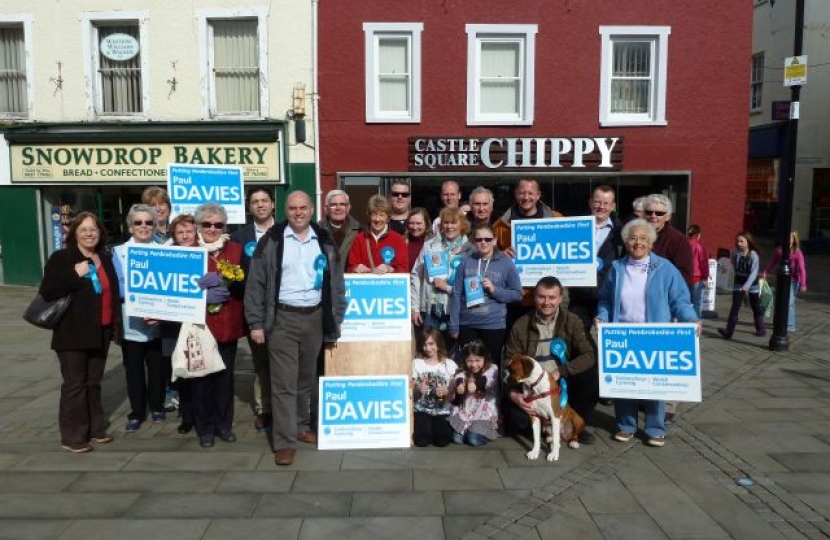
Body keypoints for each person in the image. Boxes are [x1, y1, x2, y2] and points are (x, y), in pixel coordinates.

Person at [244, 191, 346, 467]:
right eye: (293, 208)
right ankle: (285, 442)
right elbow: (256, 285)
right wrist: (255, 323)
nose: (298, 212)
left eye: (303, 208)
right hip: (282, 319)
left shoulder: (324, 239)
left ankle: (301, 426)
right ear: (285, 211)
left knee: (305, 379)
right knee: (283, 383)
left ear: (312, 209)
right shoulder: (272, 240)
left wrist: (336, 318)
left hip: (314, 317)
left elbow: (336, 282)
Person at [595, 219, 699, 447]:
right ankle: (626, 425)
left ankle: (655, 428)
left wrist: (691, 319)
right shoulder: (617, 268)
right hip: (622, 335)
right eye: (633, 238)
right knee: (624, 384)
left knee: (655, 384)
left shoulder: (665, 268)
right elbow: (604, 299)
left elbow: (680, 300)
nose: (638, 242)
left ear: (651, 242)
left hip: (653, 334)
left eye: (643, 238)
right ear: (626, 241)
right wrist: (602, 316)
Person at [39, 211, 121, 453]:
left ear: (100, 233)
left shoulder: (104, 258)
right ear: (74, 233)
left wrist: (115, 324)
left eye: (93, 229)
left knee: (93, 382)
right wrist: (75, 274)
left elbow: (112, 293)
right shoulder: (62, 258)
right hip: (72, 333)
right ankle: (73, 436)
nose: (89, 233)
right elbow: (48, 291)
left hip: (101, 330)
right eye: (83, 229)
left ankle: (95, 428)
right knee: (75, 384)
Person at [504, 276, 598, 443]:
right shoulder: (520, 325)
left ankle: (574, 424)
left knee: (591, 377)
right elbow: (508, 361)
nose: (546, 302)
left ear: (560, 298)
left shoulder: (572, 321)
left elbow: (589, 354)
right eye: (541, 297)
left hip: (561, 382)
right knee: (517, 419)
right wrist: (513, 395)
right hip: (532, 387)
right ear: (534, 297)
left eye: (552, 297)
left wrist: (561, 371)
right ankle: (546, 428)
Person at [192, 203, 246, 448]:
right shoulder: (187, 252)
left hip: (229, 325)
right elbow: (176, 291)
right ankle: (205, 428)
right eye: (207, 224)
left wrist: (228, 281)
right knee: (202, 380)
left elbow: (247, 285)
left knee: (225, 379)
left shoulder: (236, 249)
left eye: (218, 225)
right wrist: (201, 295)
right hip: (199, 326)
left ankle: (224, 425)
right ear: (198, 226)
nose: (212, 229)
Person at [112, 204, 166, 432]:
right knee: (133, 369)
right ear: (130, 226)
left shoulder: (166, 249)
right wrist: (142, 297)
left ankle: (157, 407)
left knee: (157, 368)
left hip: (159, 320)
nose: (143, 227)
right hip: (131, 321)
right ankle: (136, 412)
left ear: (154, 225)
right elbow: (119, 287)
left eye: (148, 222)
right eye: (138, 223)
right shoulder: (119, 251)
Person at [230, 187, 276, 433]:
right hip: (255, 309)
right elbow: (234, 276)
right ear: (249, 207)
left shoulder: (286, 231)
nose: (260, 205)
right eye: (255, 202)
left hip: (283, 309)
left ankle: (286, 408)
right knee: (261, 362)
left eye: (264, 200)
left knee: (284, 362)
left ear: (272, 205)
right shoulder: (239, 237)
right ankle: (263, 408)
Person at [449, 224, 523, 367]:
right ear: (474, 242)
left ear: (495, 241)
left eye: (488, 239)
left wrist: (495, 290)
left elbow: (517, 294)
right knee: (469, 367)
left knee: (491, 368)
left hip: (493, 325)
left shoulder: (506, 263)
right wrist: (454, 325)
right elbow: (456, 294)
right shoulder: (465, 262)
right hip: (467, 324)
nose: (483, 242)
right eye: (479, 239)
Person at [410, 207, 475, 349]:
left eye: (453, 222)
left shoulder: (471, 250)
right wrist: (414, 307)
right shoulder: (429, 246)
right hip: (430, 310)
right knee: (429, 352)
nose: (449, 226)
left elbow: (473, 286)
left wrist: (447, 288)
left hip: (457, 312)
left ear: (462, 224)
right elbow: (416, 274)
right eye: (446, 222)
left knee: (455, 355)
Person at [568, 185, 625, 331]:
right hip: (579, 296)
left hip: (608, 296)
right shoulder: (573, 228)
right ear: (590, 203)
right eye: (597, 202)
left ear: (613, 206)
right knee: (578, 339)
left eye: (606, 203)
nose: (601, 207)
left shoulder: (622, 233)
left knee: (607, 341)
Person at [166, 214, 199, 435]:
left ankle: (204, 414)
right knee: (183, 371)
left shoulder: (206, 253)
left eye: (189, 231)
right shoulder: (167, 256)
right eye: (180, 232)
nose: (185, 235)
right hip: (175, 323)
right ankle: (187, 417)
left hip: (199, 322)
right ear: (174, 236)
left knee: (202, 370)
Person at [411, 327, 458, 447]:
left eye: (431, 344)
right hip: (422, 409)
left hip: (442, 410)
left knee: (442, 441)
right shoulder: (416, 363)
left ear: (438, 343)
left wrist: (448, 390)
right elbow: (411, 385)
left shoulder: (449, 364)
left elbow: (455, 394)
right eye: (424, 344)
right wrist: (418, 387)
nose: (427, 348)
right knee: (421, 441)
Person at [448, 340, 499, 446]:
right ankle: (468, 431)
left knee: (473, 440)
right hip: (466, 411)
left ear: (484, 358)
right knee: (457, 439)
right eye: (470, 361)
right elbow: (459, 377)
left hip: (483, 413)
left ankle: (485, 433)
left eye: (478, 360)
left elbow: (487, 380)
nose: (474, 364)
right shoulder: (463, 370)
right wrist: (460, 384)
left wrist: (476, 385)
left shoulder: (492, 369)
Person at [719, 231, 765, 339]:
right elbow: (735, 266)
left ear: (748, 242)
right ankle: (728, 331)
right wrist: (739, 280)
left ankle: (761, 328)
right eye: (737, 241)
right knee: (735, 306)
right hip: (739, 281)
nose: (739, 243)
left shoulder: (753, 255)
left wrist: (747, 285)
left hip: (752, 282)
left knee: (755, 305)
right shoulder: (734, 253)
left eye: (741, 241)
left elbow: (754, 272)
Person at [348, 194, 408, 273]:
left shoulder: (398, 240)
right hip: (365, 284)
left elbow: (404, 270)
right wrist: (355, 268)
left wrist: (390, 269)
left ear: (388, 218)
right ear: (369, 216)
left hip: (389, 285)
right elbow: (350, 267)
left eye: (382, 215)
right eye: (374, 214)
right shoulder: (359, 239)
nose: (377, 219)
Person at [762, 231, 808, 333]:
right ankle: (778, 321)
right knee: (779, 301)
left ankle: (790, 325)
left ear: (794, 239)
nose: (787, 240)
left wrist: (803, 284)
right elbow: (772, 263)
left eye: (790, 238)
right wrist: (765, 272)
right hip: (782, 279)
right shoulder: (779, 251)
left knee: (790, 303)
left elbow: (802, 269)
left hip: (793, 280)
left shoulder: (797, 252)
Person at [644, 194, 694, 285]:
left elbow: (684, 276)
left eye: (659, 213)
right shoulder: (636, 235)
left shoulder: (678, 240)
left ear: (668, 217)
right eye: (649, 212)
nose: (653, 216)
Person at [318, 189, 362, 271]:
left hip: (350, 281)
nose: (338, 208)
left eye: (342, 204)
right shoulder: (316, 231)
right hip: (324, 282)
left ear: (348, 208)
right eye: (333, 205)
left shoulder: (360, 232)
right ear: (326, 209)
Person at [687, 224, 711, 318]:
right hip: (697, 277)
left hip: (685, 276)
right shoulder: (699, 245)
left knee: (686, 301)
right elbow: (703, 262)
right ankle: (696, 323)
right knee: (696, 302)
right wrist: (706, 276)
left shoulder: (683, 243)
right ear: (698, 234)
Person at [405, 207, 432, 272]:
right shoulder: (402, 242)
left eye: (418, 223)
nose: (415, 227)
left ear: (426, 223)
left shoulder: (433, 243)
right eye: (411, 223)